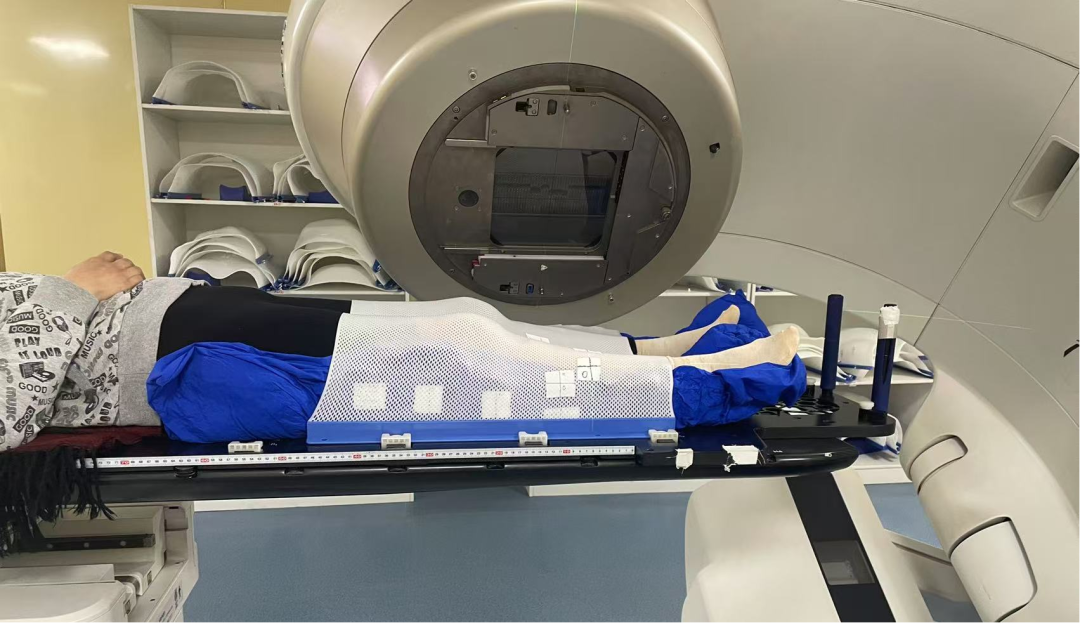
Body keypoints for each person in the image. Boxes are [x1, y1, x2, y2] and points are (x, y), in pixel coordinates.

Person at [0, 253, 802, 452]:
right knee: (460, 353)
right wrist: (72, 288)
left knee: (462, 323)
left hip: (173, 312)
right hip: (177, 356)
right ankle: (696, 380)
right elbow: (13, 405)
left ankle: (653, 350)